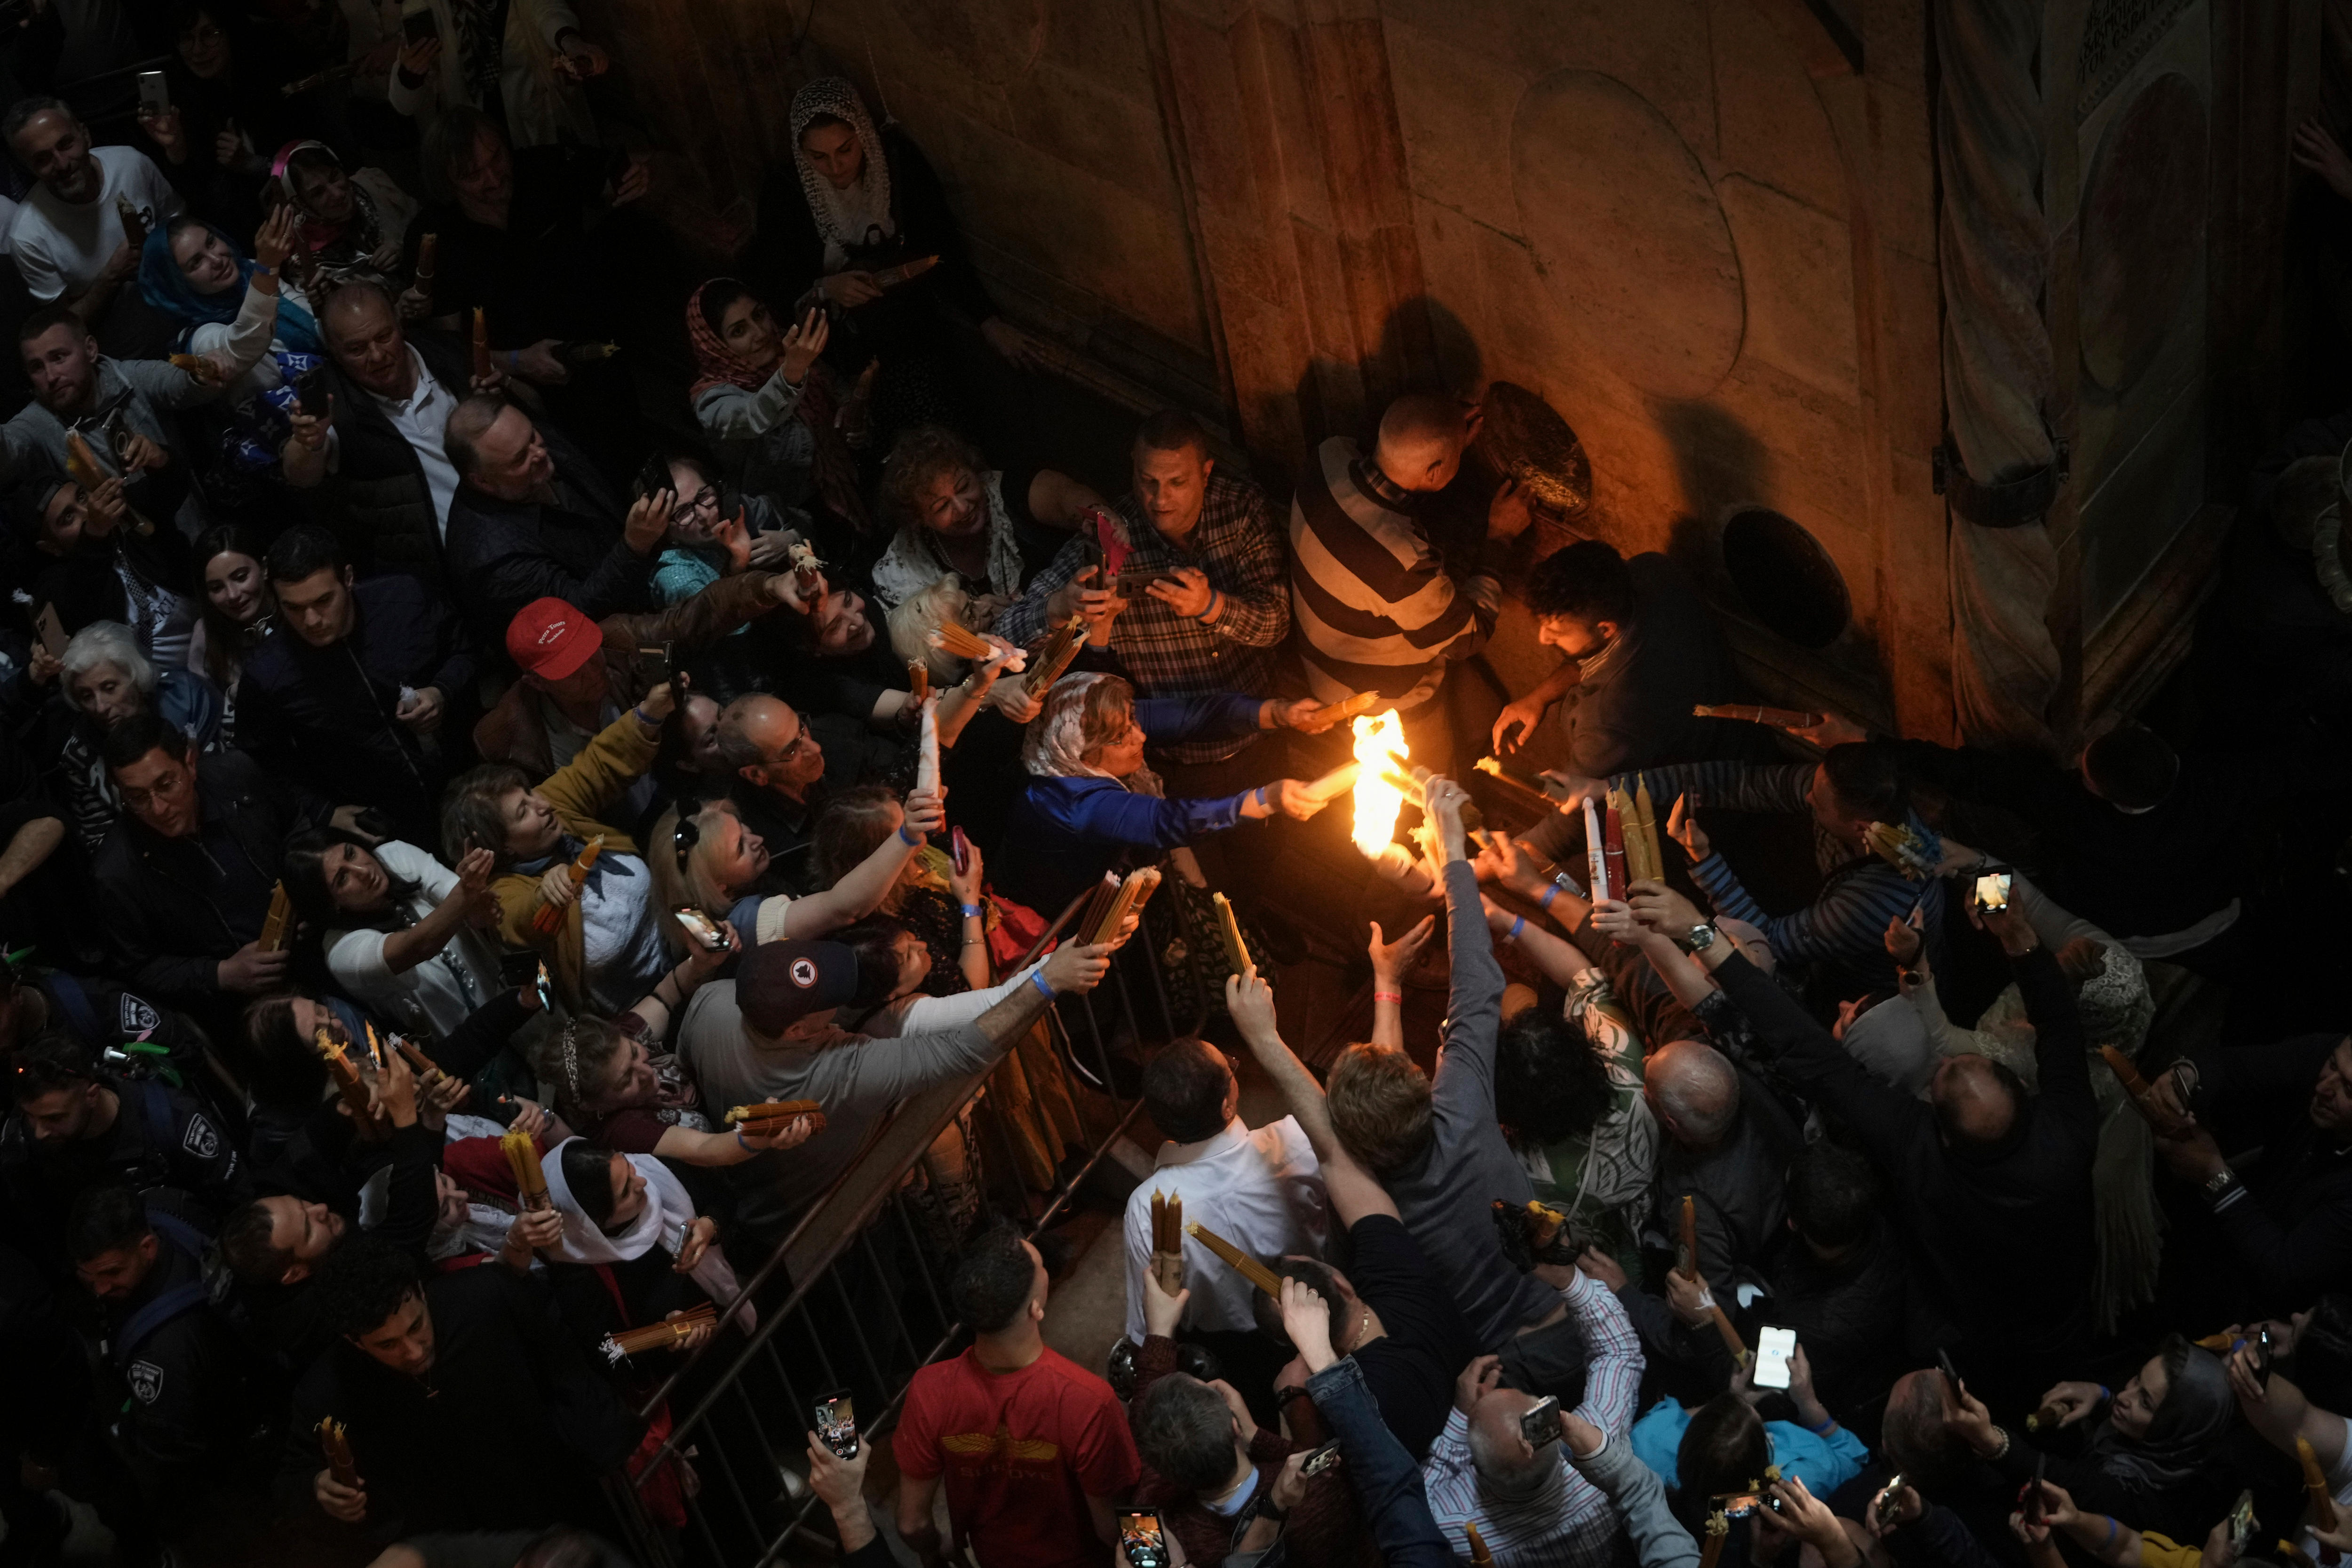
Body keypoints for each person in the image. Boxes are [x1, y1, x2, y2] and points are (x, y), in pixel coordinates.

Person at [1641, 879, 2097, 1403]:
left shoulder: (1914, 1152)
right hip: (2060, 1316)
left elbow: (1810, 1052)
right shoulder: (2068, 1132)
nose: (1942, 1059)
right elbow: (2059, 1026)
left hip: (1965, 1337)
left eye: (1944, 1073)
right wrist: (2017, 935)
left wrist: (1702, 934)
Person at [675, 934, 1112, 1242]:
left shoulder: (711, 999)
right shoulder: (841, 1071)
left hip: (753, 1199)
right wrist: (1046, 980)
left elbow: (684, 1077)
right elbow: (963, 1051)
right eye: (831, 1000)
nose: (843, 1001)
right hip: (819, 1230)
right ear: (797, 1030)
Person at [1225, 963, 1480, 1463]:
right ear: (1343, 1283)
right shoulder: (1401, 1280)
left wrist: (1294, 1410)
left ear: (1299, 1349)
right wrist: (1262, 1036)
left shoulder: (1354, 1411)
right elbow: (1333, 1152)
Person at [1799, 711, 2252, 963]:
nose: (2075, 764)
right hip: (2215, 906)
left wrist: (1972, 873)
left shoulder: (2064, 822)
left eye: (2083, 772)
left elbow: (2019, 897)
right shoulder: (2220, 782)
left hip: (2118, 924)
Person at [284, 1235, 642, 1538]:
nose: (413, 1351)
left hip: (557, 1493)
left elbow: (567, 1367)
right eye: (387, 1345)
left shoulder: (486, 1297)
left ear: (422, 1293)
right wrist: (317, 1485)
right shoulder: (329, 1389)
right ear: (354, 1341)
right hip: (459, 1537)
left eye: (416, 1327)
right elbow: (295, 1474)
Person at [748, 77, 1043, 444]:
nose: (837, 167)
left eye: (846, 149)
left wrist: (988, 321)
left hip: (911, 334)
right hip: (840, 352)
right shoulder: (786, 191)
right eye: (819, 157)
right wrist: (826, 286)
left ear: (863, 136)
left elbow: (942, 244)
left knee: (942, 431)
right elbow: (774, 277)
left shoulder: (896, 164)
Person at [996, 409, 1294, 769]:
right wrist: (1061, 606)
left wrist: (1211, 606)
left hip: (1258, 733)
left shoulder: (1240, 509)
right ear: (1133, 467)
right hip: (1166, 752)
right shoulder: (1113, 535)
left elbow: (1276, 623)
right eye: (1148, 480)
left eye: (1177, 483)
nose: (1159, 499)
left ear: (1206, 472)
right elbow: (1003, 640)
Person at [1542, 744, 1953, 1002]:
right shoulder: (1860, 797)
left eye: (1817, 799)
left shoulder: (1879, 901)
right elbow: (1741, 783)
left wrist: (1702, 859)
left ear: (1860, 828)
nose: (1806, 794)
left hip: (1858, 991)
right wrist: (1611, 788)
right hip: (1817, 912)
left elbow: (1768, 943)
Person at [890, 1221, 1141, 1568]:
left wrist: (939, 1549)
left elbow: (912, 1523)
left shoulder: (929, 1390)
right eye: (1041, 1267)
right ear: (1035, 1308)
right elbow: (1113, 1530)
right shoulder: (1088, 1401)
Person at [1286, 392, 1532, 739]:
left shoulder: (1328, 457)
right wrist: (1500, 537)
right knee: (1431, 787)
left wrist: (1442, 435)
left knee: (1483, 703)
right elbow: (1469, 637)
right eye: (1457, 458)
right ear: (1434, 472)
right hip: (1380, 709)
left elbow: (1402, 459)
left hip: (1320, 667)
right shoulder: (1403, 565)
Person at [995, 672, 1333, 917]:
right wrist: (1268, 799)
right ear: (1083, 755)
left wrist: (1281, 712)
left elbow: (1194, 716)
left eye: (1133, 720)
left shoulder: (1094, 730)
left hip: (1114, 886)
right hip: (1057, 921)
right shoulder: (1068, 802)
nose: (1140, 736)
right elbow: (1164, 821)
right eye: (1121, 737)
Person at [441, 688, 687, 1014]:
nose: (541, 805)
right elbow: (518, 917)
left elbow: (599, 764)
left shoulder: (551, 808)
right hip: (644, 1009)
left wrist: (649, 713)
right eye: (523, 812)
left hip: (684, 942)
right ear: (503, 848)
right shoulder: (503, 891)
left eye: (529, 794)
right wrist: (546, 893)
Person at [236, 524, 476, 843]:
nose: (311, 620)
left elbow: (466, 649)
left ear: (348, 578)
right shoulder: (268, 673)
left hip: (468, 776)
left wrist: (441, 690)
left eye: (323, 600)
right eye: (293, 607)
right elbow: (262, 761)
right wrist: (324, 811)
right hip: (383, 822)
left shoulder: (404, 598)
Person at [91, 713, 330, 1019]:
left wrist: (308, 885)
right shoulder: (116, 871)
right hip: (244, 1008)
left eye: (166, 785)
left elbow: (296, 825)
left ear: (190, 763)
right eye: (136, 797)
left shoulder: (236, 775)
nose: (158, 808)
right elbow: (137, 967)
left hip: (318, 945)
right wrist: (220, 974)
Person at [66, 1185, 265, 1539]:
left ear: (147, 1247)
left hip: (215, 1441)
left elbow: (170, 1449)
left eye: (112, 1272)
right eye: (88, 1275)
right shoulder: (169, 1206)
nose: (99, 1288)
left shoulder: (161, 1353)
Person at [1128, 1266, 1353, 1564]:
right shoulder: (1318, 1493)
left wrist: (1158, 1333)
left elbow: (1143, 1443)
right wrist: (1258, 1437)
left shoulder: (1151, 1519)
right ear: (1235, 1428)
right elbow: (1339, 1468)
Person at [1118, 1033, 1327, 1348]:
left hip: (1227, 1351)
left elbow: (1146, 1324)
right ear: (1227, 1106)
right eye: (1230, 1068)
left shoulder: (1146, 1208)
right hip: (1320, 1313)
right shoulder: (1295, 1143)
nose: (1234, 1066)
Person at [471, 582, 795, 785]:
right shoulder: (506, 737)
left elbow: (694, 616)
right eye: (572, 670)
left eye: (589, 651)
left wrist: (767, 587)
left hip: (660, 788)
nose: (594, 670)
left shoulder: (619, 640)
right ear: (536, 682)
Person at [1490, 538, 1744, 776]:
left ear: (1606, 629)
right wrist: (1540, 697)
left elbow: (1580, 813)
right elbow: (1595, 659)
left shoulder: (1608, 723)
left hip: (1705, 796)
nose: (1543, 639)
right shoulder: (1653, 570)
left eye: (1556, 632)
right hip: (1737, 735)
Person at [2145, 1030, 2352, 1320]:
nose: (2325, 1088)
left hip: (2275, 1319)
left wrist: (2214, 1174)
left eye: (2349, 1091)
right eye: (2332, 1064)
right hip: (2245, 1232)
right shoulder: (2340, 1056)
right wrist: (2187, 1076)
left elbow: (2284, 1273)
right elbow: (2241, 1066)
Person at [300, 279, 497, 579]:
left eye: (384, 336)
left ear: (399, 324)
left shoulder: (448, 354)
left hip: (514, 525)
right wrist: (307, 442)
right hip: (443, 573)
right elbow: (302, 474)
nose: (377, 356)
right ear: (334, 353)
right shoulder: (334, 405)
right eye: (357, 349)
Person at [0, 1033, 246, 1266]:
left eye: (54, 1119)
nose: (39, 1132)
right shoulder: (23, 1145)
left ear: (92, 1096)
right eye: (31, 1117)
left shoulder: (174, 1122)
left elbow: (240, 1202)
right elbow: (41, 1232)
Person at [441, 393, 668, 643]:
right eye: (520, 458)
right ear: (482, 481)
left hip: (648, 579)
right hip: (608, 644)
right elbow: (576, 615)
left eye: (532, 436)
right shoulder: (492, 559)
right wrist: (634, 548)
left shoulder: (535, 447)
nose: (538, 453)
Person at [1422, 1332, 1655, 1568]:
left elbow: (1414, 1506)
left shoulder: (1451, 1527)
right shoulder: (1606, 1449)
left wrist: (1462, 1415)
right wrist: (1570, 1291)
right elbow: (1618, 1351)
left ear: (1475, 1469)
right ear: (1554, 1434)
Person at [135, 207, 326, 485]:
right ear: (178, 283)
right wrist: (268, 268)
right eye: (196, 262)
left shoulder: (250, 272)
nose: (216, 259)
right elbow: (244, 345)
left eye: (212, 242)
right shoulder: (197, 339)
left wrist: (329, 308)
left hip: (334, 402)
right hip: (296, 446)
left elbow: (313, 329)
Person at [7, 302, 225, 537]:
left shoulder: (130, 377)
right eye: (37, 367)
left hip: (194, 532)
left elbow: (183, 384)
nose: (50, 377)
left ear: (90, 350)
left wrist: (208, 370)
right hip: (123, 560)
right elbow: (9, 447)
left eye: (59, 358)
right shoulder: (37, 421)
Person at [282, 828, 501, 1041]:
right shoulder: (341, 951)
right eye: (342, 879)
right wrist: (466, 894)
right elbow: (418, 947)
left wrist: (477, 905)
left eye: (351, 853)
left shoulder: (394, 855)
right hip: (467, 1054)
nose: (363, 871)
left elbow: (464, 904)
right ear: (330, 905)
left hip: (508, 1000)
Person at [683, 278, 860, 534]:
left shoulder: (786, 353)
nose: (761, 333)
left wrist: (852, 418)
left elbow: (838, 392)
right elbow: (753, 415)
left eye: (759, 315)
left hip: (850, 484)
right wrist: (792, 372)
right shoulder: (712, 400)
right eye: (739, 331)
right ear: (715, 347)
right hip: (793, 522)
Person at [870, 422, 1104, 611]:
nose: (962, 508)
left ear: (975, 471)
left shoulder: (1007, 493)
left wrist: (1097, 514)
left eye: (964, 487)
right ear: (919, 519)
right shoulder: (905, 567)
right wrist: (965, 616)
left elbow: (1064, 495)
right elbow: (912, 639)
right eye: (942, 507)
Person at [532, 1013, 814, 1167]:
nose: (645, 1072)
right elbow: (704, 1148)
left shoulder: (612, 1043)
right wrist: (757, 1137)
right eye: (625, 1081)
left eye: (633, 1052)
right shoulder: (622, 1129)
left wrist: (699, 962)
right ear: (598, 1106)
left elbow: (666, 995)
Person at [3, 98, 184, 334]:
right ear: (30, 168)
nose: (62, 163)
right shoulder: (29, 236)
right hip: (121, 341)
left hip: (181, 303)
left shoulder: (130, 163)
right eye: (43, 159)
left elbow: (178, 221)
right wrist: (111, 277)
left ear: (85, 135)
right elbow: (62, 330)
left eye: (66, 144)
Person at [40, 618, 222, 853]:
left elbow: (225, 779)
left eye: (109, 688)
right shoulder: (79, 755)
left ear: (136, 677)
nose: (100, 707)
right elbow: (101, 840)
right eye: (86, 696)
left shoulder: (190, 699)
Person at [1627, 1347, 1868, 1500]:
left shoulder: (1647, 1440)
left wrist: (1734, 1398)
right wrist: (1808, 1402)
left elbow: (1672, 1415)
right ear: (1765, 1455)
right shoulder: (1803, 1480)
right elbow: (1855, 1461)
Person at [275, 141, 420, 294]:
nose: (337, 194)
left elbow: (426, 225)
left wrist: (404, 245)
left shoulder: (373, 185)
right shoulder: (307, 263)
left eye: (335, 176)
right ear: (302, 205)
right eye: (318, 193)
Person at [190, 523, 274, 742]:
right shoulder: (206, 635)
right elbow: (205, 717)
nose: (233, 595)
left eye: (241, 577)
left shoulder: (296, 608)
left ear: (264, 568)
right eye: (217, 588)